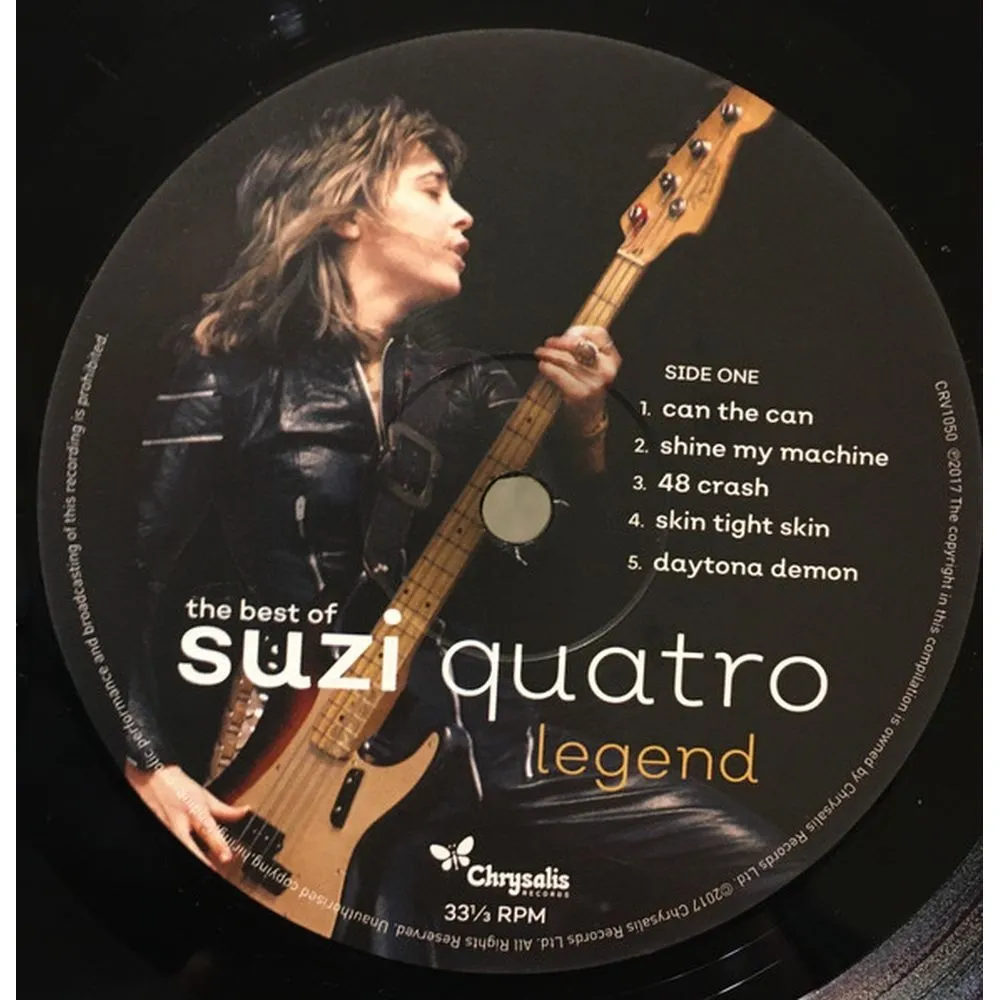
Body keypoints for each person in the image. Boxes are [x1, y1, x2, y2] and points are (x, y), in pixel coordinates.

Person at [124, 97, 783, 962]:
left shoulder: (471, 386)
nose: (464, 214)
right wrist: (146, 762)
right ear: (346, 209)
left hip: (492, 744)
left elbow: (577, 579)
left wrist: (589, 428)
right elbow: (116, 577)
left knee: (766, 874)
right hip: (304, 764)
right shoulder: (230, 372)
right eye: (434, 189)